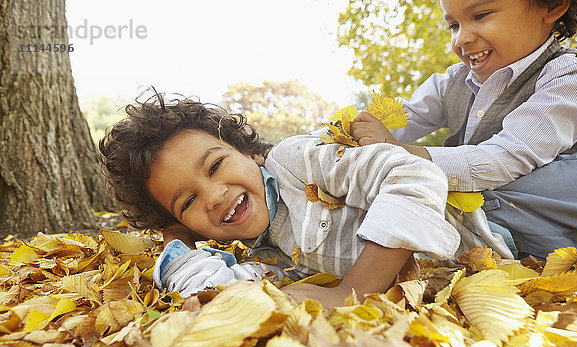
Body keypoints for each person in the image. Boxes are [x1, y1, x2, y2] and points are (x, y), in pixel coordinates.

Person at [98, 92, 509, 307]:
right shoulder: (257, 257)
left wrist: (354, 292)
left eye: (216, 166)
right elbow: (208, 291)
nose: (214, 196)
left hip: (505, 221)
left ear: (250, 153)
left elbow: (413, 173)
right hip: (468, 280)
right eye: (186, 202)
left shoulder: (296, 163)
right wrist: (179, 240)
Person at [350, 0, 577, 259]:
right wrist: (352, 134)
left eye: (480, 15)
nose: (462, 39)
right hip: (469, 210)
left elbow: (505, 157)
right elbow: (402, 119)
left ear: (551, 6)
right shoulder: (452, 82)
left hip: (529, 217)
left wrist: (400, 152)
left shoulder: (572, 76)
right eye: (454, 25)